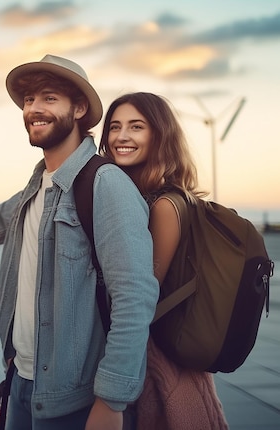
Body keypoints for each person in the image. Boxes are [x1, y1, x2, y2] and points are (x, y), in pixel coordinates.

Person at [0, 54, 159, 430]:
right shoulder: (36, 186)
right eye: (29, 100)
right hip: (22, 385)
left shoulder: (106, 185)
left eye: (49, 98)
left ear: (79, 108)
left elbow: (134, 298)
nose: (34, 108)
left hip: (78, 400)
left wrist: (111, 401)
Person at [98, 92, 229, 429]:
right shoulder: (142, 195)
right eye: (114, 127)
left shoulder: (165, 205)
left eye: (136, 127)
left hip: (158, 360)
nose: (121, 137)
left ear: (159, 135)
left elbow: (144, 292)